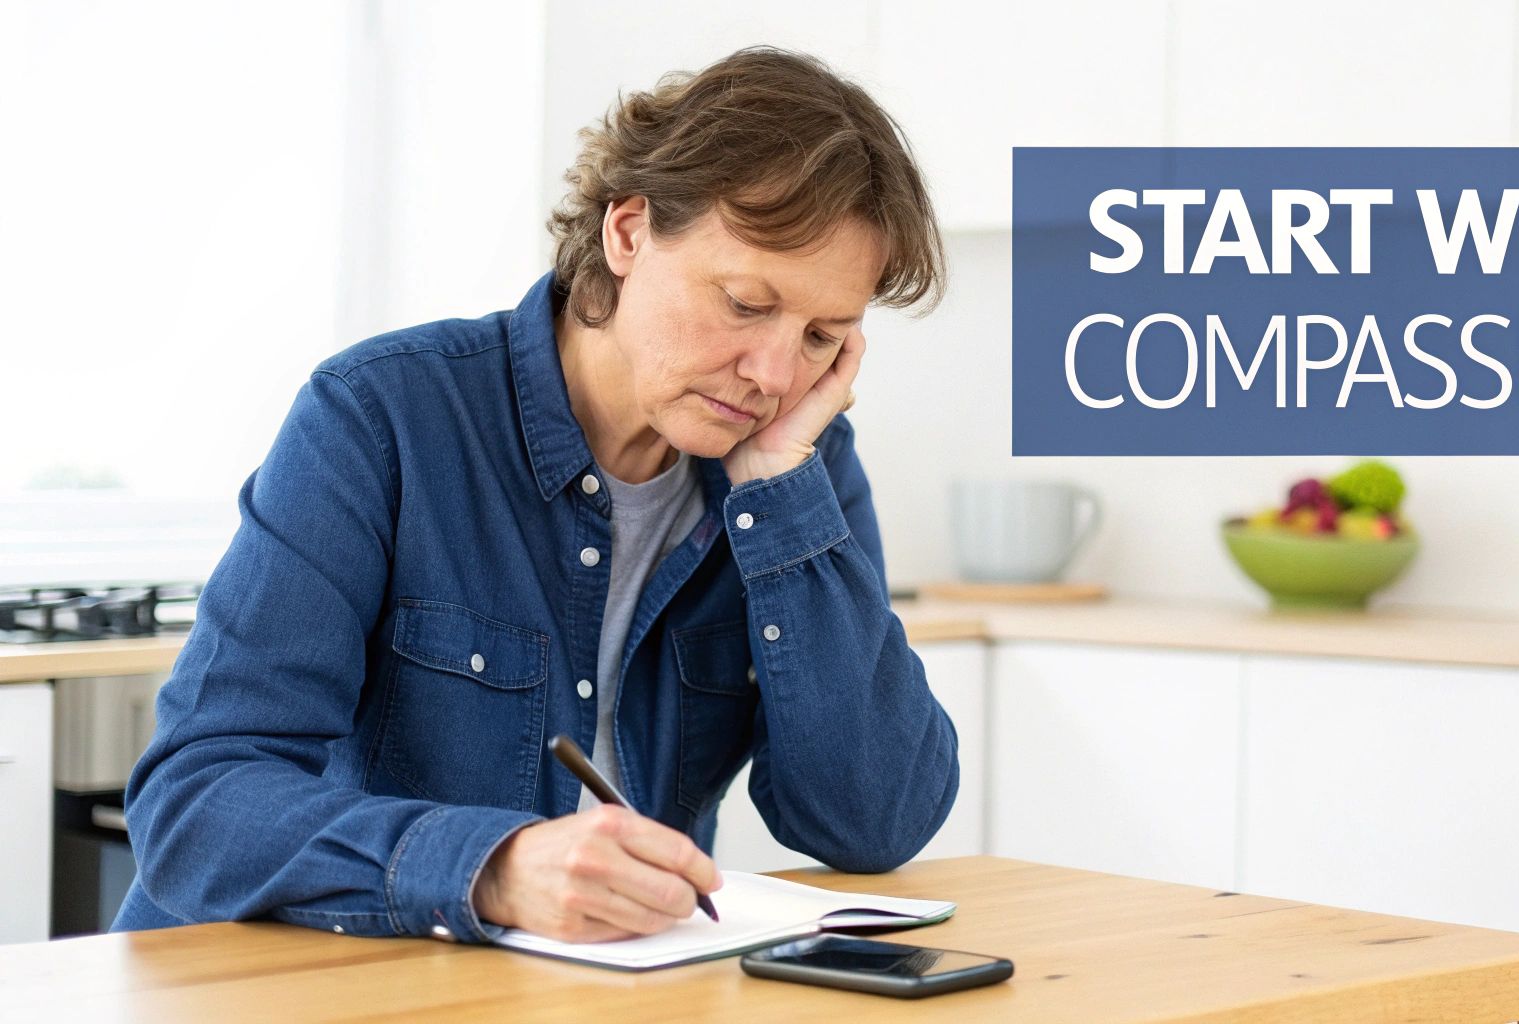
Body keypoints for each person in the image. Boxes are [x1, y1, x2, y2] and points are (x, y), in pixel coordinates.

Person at [113, 46, 957, 945]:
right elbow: (196, 802)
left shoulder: (797, 470)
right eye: (746, 305)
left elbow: (872, 826)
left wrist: (784, 496)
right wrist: (494, 869)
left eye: (825, 337)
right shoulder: (381, 416)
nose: (775, 374)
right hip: (292, 988)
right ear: (627, 233)